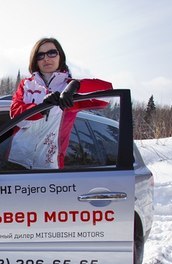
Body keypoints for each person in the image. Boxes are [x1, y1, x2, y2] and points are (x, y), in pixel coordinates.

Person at [8, 37, 112, 169]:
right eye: (40, 55)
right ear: (35, 60)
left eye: (52, 53)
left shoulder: (69, 89)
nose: (46, 58)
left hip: (50, 169)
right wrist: (40, 109)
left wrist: (76, 85)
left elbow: (107, 94)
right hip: (16, 164)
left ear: (60, 56)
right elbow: (15, 114)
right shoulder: (26, 85)